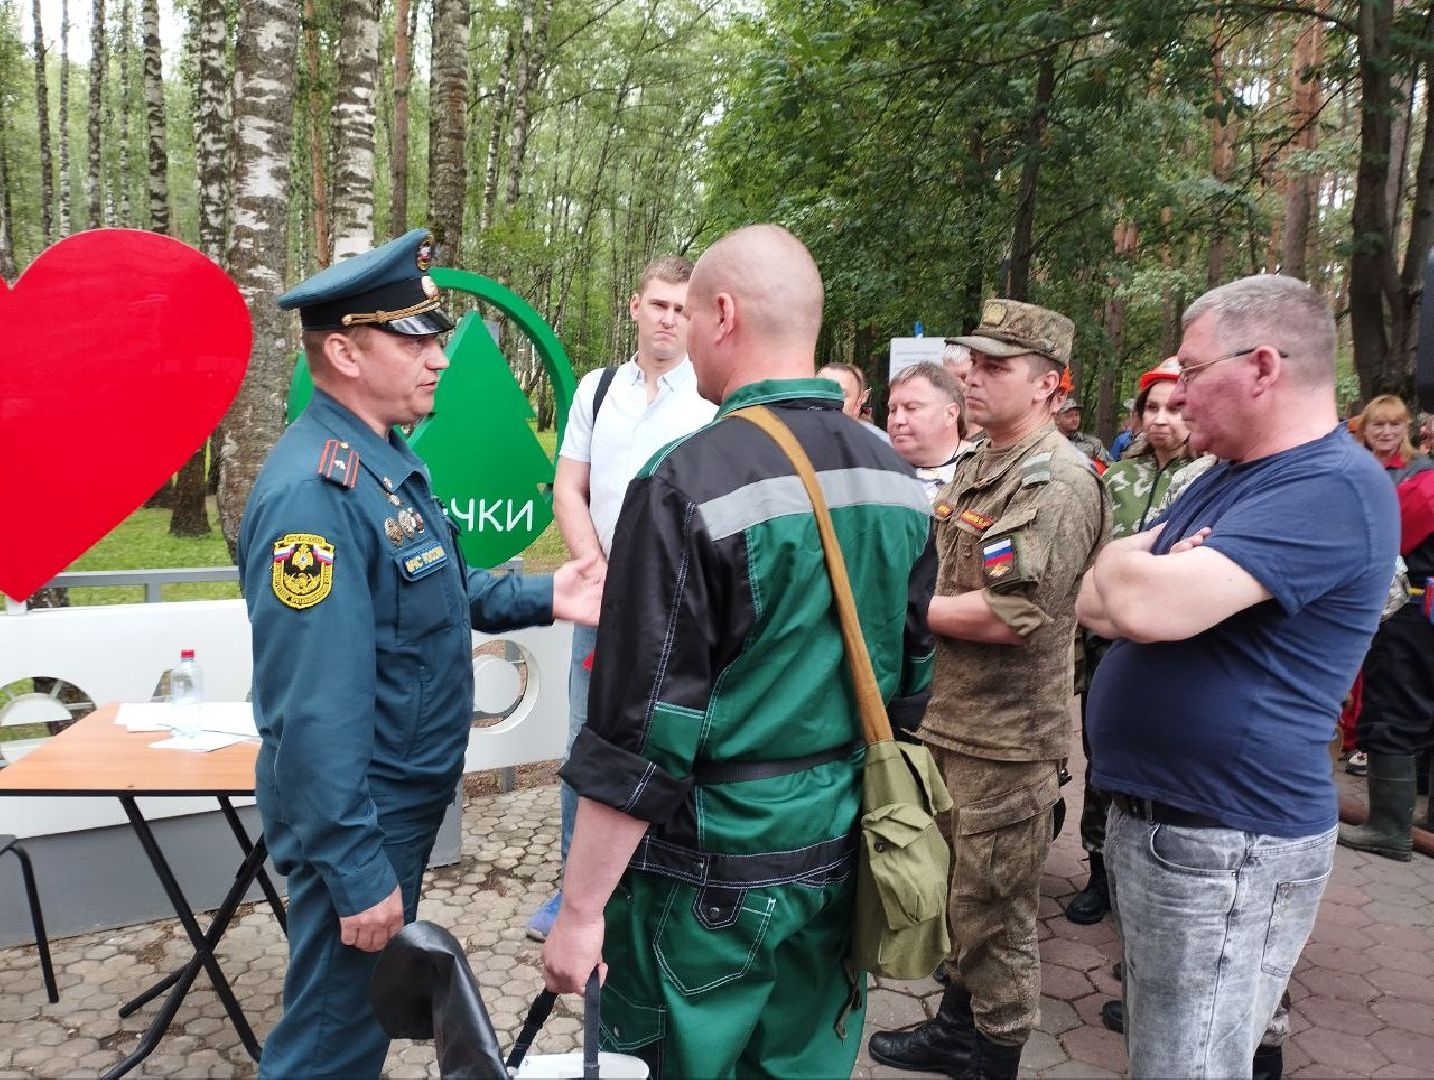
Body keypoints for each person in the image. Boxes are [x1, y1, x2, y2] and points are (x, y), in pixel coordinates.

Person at [542, 225, 937, 1077]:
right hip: (838, 854)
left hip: (705, 878)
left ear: (722, 315)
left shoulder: (687, 478)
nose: (679, 331)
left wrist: (579, 912)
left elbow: (640, 735)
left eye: (689, 313)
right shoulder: (896, 476)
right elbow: (910, 685)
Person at [238, 228, 603, 1079]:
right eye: (414, 337)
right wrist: (358, 867)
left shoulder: (384, 462)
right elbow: (312, 709)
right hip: (363, 815)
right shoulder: (314, 496)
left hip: (392, 802)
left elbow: (437, 588)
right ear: (342, 350)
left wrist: (548, 594)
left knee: (353, 1025)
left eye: (436, 336)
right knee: (330, 1042)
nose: (438, 357)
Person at [1077, 274, 1398, 1079]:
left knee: (1190, 1064)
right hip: (1180, 828)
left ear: (1261, 366)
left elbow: (1145, 608)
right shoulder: (1228, 473)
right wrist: (1133, 569)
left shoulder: (1329, 486)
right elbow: (1095, 597)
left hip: (1229, 841)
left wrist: (1135, 570)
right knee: (1168, 1052)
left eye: (1190, 371)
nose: (1176, 395)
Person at [868, 298, 1106, 1080]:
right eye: (972, 359)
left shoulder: (1058, 480)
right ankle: (954, 1030)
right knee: (959, 899)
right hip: (953, 722)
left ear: (1048, 385)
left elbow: (1014, 613)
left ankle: (993, 1056)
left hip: (1006, 743)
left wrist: (900, 613)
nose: (973, 374)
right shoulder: (980, 461)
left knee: (997, 916)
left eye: (995, 365)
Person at [525, 256, 715, 941]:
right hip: (602, 607)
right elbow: (569, 487)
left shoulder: (713, 399)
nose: (669, 318)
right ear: (634, 306)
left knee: (673, 746)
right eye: (659, 304)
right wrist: (594, 568)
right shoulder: (598, 392)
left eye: (682, 308)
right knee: (587, 746)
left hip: (684, 615)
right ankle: (577, 893)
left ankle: (657, 888)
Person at [1066, 356, 1201, 926]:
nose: (1163, 420)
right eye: (1153, 408)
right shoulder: (1115, 477)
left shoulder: (1208, 476)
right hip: (1105, 640)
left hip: (1174, 647)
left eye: (1176, 408)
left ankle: (1154, 884)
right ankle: (1100, 868)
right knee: (1102, 752)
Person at [1339, 394, 1434, 858]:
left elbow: (1385, 539)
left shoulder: (1423, 484)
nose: (1386, 432)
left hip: (1406, 610)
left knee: (1393, 711)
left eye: (1395, 425)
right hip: (1416, 609)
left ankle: (1389, 829)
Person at [887, 361, 975, 503]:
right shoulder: (875, 471)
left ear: (950, 414)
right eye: (892, 410)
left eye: (911, 408)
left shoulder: (980, 470)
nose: (898, 420)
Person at [818, 360, 889, 442]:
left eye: (840, 394)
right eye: (820, 391)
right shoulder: (801, 438)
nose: (828, 400)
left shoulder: (878, 447)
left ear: (859, 402)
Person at [1055, 399, 1110, 470]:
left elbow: (1111, 467)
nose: (1074, 419)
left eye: (1076, 415)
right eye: (1069, 416)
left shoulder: (1094, 443)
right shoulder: (1048, 442)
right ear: (1057, 419)